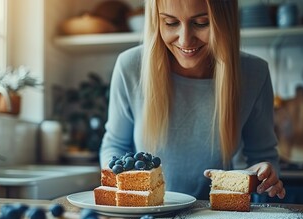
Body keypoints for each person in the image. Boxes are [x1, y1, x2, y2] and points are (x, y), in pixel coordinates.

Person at [99, 0, 286, 200]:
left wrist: (263, 173)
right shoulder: (130, 66)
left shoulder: (254, 74)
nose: (185, 40)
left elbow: (263, 156)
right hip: (146, 215)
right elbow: (115, 147)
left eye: (201, 23)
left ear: (225, 22)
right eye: (171, 23)